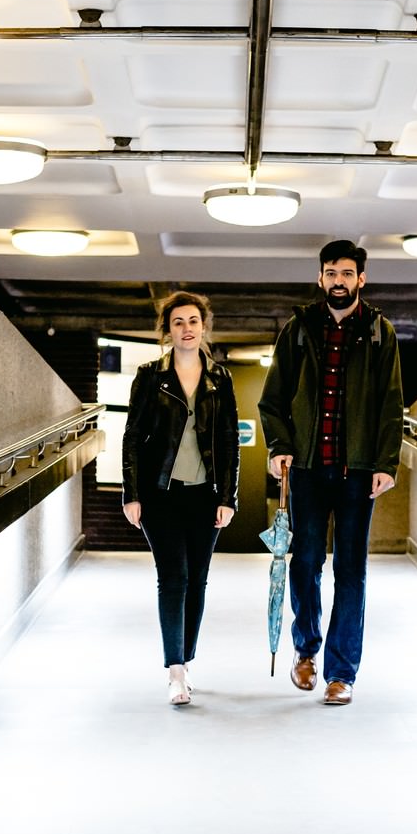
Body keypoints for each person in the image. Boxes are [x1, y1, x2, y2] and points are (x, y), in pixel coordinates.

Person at [257, 239, 404, 705]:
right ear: (320, 278)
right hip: (307, 468)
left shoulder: (381, 332)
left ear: (361, 279)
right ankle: (306, 651)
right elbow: (272, 399)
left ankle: (342, 673)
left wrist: (386, 463)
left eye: (346, 273)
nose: (338, 281)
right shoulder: (300, 330)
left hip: (359, 471)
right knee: (304, 563)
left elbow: (390, 404)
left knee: (352, 571)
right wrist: (281, 447)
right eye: (330, 273)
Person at [122, 291, 239, 706]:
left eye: (193, 321)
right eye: (178, 322)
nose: (186, 329)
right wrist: (131, 493)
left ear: (203, 326)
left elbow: (228, 441)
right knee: (174, 577)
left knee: (198, 581)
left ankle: (185, 660)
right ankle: (174, 670)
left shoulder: (220, 379)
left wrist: (229, 496)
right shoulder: (149, 376)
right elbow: (133, 436)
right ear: (167, 330)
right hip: (160, 495)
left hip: (206, 496)